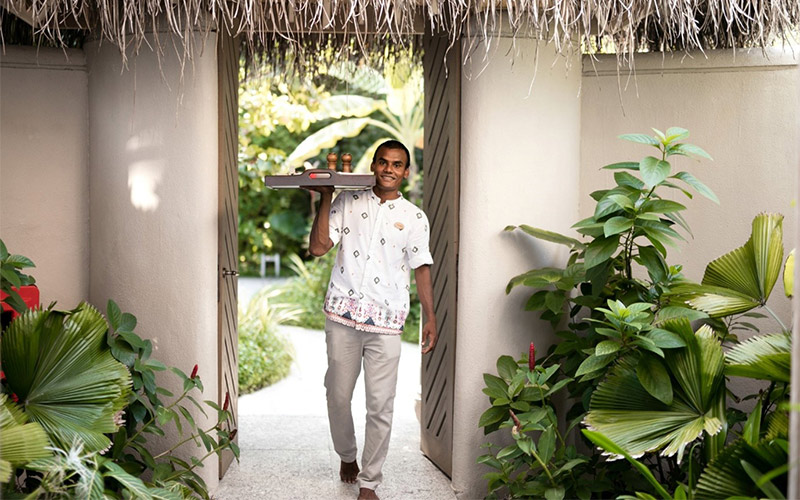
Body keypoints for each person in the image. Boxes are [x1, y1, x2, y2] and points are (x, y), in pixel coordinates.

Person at [307, 140, 437, 500]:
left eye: (397, 164)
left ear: (406, 172)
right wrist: (325, 198)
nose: (389, 169)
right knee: (337, 395)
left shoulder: (414, 218)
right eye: (383, 162)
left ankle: (370, 482)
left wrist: (430, 316)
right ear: (374, 164)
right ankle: (347, 455)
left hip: (386, 322)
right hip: (342, 316)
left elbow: (421, 267)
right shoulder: (347, 202)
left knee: (380, 405)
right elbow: (318, 248)